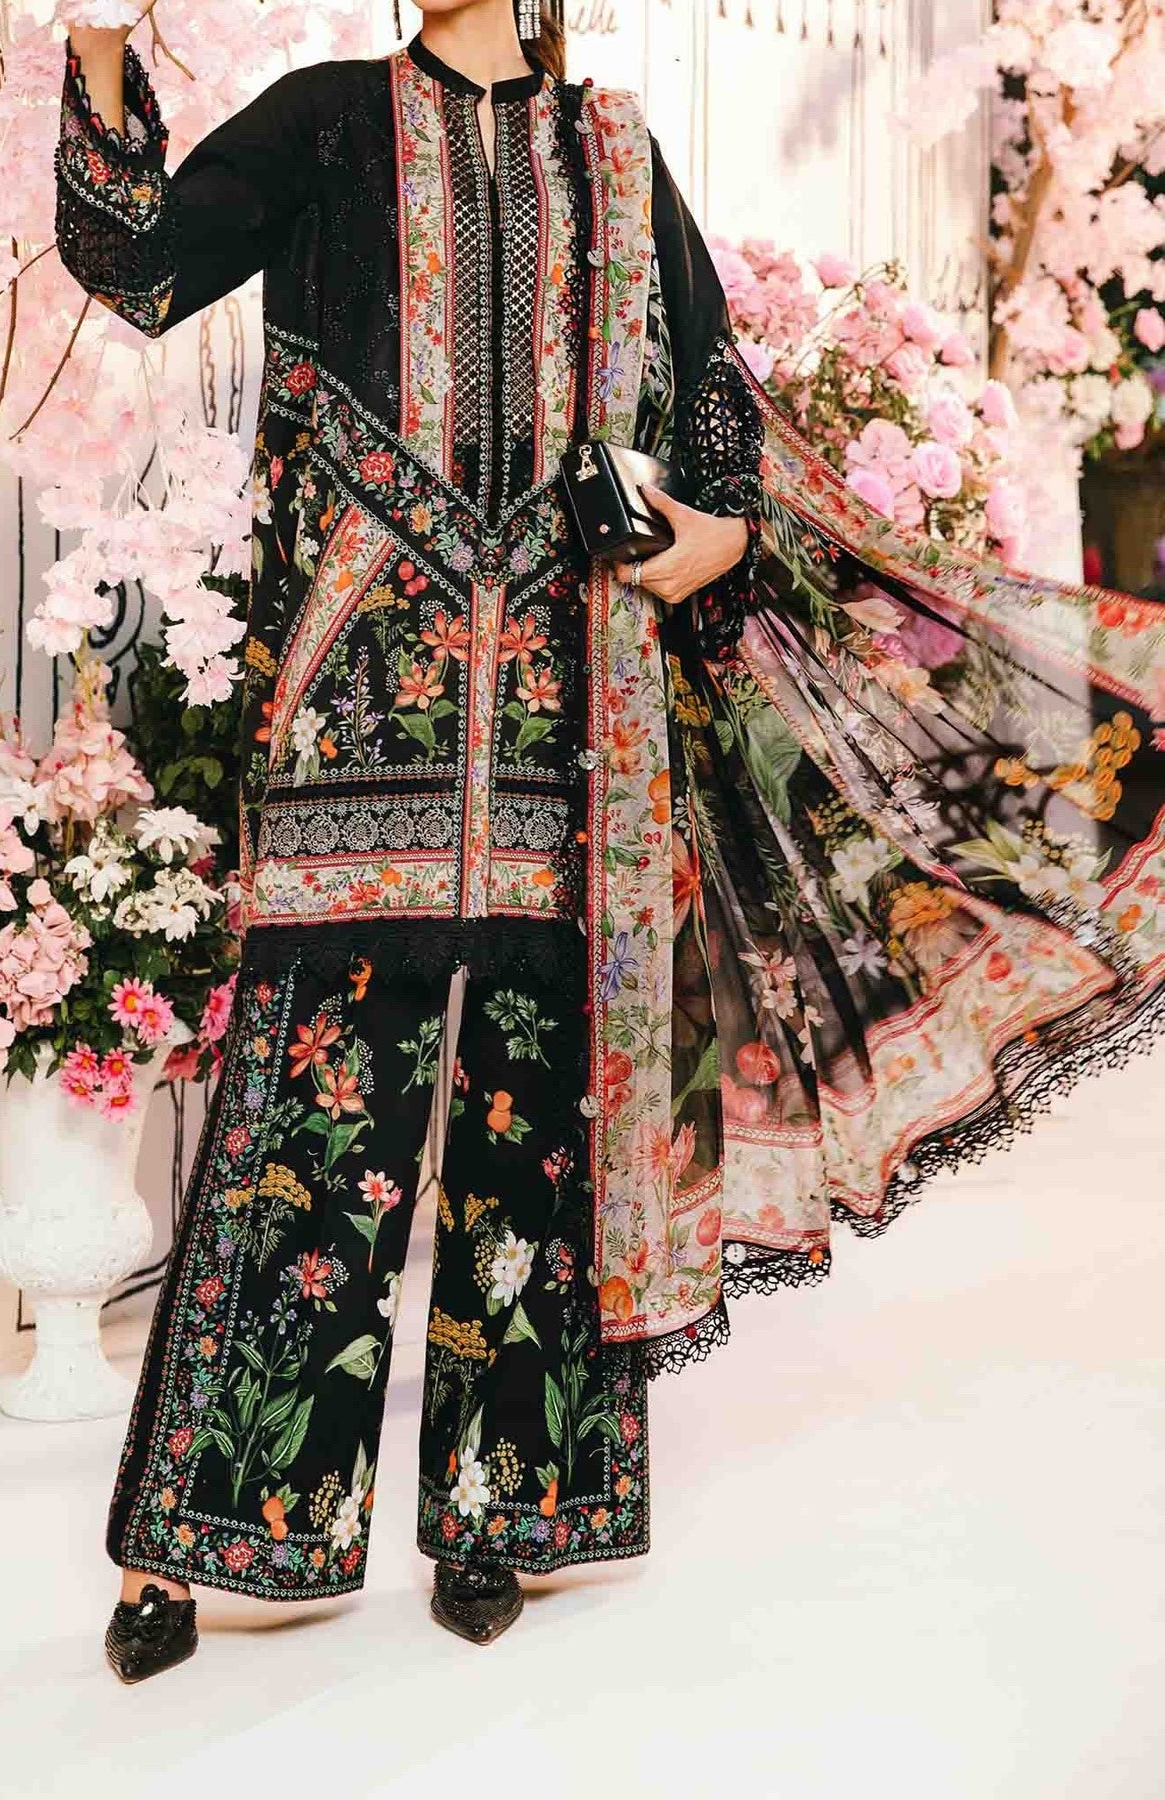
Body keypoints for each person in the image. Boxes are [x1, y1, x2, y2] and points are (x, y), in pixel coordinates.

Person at [57, 0, 1165, 1682]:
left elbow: (715, 410)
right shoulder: (328, 120)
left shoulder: (617, 158)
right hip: (363, 707)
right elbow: (138, 265)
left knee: (539, 1121)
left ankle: (503, 1507)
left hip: (570, 719)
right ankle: (198, 1540)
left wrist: (717, 536)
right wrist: (95, 50)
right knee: (305, 1114)